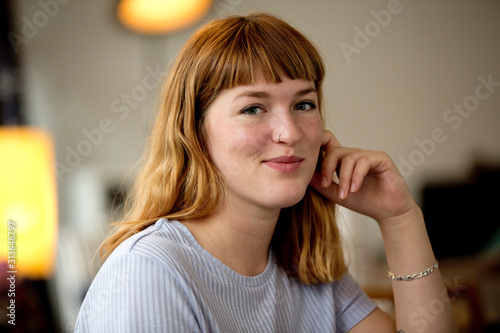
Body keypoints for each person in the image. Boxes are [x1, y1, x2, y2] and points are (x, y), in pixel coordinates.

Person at [74, 13, 457, 333]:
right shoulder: (150, 274)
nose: (289, 133)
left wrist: (401, 219)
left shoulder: (304, 267)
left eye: (304, 104)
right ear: (194, 131)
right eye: (253, 108)